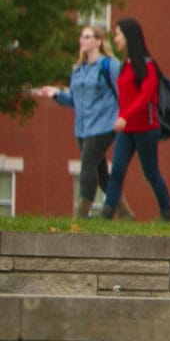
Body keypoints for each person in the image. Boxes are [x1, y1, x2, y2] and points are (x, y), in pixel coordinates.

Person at [36, 25, 122, 219]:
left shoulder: (110, 65)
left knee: (87, 166)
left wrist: (122, 117)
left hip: (105, 124)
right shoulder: (77, 69)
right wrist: (56, 94)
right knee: (100, 173)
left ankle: (81, 214)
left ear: (99, 42)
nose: (82, 40)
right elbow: (73, 101)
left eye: (87, 37)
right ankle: (125, 212)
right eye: (81, 37)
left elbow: (123, 93)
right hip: (83, 128)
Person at [100, 17, 170, 222]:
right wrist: (121, 116)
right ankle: (106, 214)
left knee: (150, 172)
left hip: (145, 128)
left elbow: (145, 98)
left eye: (118, 34)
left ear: (128, 37)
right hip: (127, 130)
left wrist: (125, 116)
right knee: (116, 171)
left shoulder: (148, 66)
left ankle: (167, 213)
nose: (115, 38)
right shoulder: (126, 64)